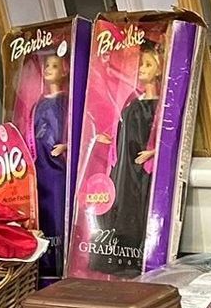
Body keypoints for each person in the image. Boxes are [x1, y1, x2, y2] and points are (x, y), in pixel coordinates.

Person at [88, 43, 163, 275]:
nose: (142, 69)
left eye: (148, 64)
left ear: (159, 70)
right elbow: (122, 135)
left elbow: (165, 135)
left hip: (147, 170)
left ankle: (145, 254)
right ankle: (127, 255)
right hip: (125, 170)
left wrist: (153, 152)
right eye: (140, 64)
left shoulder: (160, 106)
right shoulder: (131, 105)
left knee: (144, 208)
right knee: (125, 208)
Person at [30, 52, 72, 274]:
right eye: (46, 65)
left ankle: (63, 259)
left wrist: (66, 146)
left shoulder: (66, 101)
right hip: (40, 165)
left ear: (63, 71)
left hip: (58, 166)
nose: (48, 69)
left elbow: (74, 128)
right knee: (44, 211)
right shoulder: (37, 104)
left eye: (54, 66)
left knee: (58, 209)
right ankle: (47, 263)